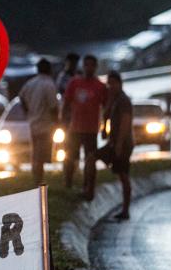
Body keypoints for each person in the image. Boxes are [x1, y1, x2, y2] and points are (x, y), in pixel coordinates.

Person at [61, 54, 107, 200]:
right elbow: (66, 104)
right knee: (70, 157)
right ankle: (68, 183)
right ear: (83, 66)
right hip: (75, 128)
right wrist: (63, 122)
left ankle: (88, 187)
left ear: (95, 67)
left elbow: (106, 108)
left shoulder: (100, 86)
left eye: (91, 65)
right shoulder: (75, 83)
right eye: (86, 65)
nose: (88, 68)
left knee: (90, 160)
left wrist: (105, 128)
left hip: (91, 130)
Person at [17, 58, 58, 187]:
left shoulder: (30, 83)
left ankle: (37, 180)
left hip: (33, 123)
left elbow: (21, 97)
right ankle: (39, 182)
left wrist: (28, 112)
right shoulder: (48, 84)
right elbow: (53, 106)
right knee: (41, 155)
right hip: (45, 124)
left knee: (36, 154)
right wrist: (57, 122)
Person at [104, 71, 134, 220]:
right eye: (108, 84)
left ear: (119, 83)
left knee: (124, 175)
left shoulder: (123, 100)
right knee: (91, 157)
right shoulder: (115, 99)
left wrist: (119, 144)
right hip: (114, 142)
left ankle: (126, 210)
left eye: (113, 83)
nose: (110, 86)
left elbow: (125, 122)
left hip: (123, 144)